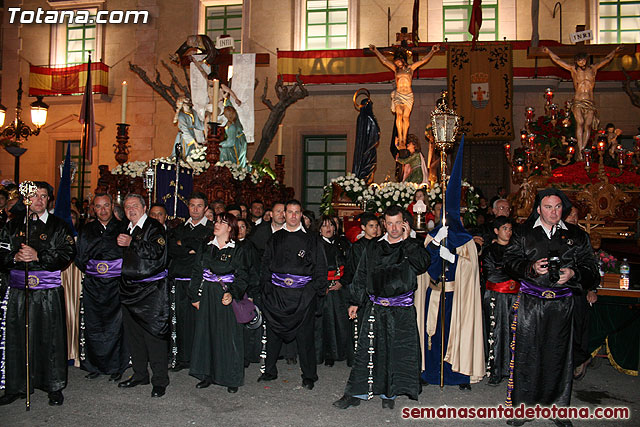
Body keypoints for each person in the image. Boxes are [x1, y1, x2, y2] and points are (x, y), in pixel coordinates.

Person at [503, 188, 599, 427]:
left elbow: (591, 269)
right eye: (548, 207)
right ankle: (522, 409)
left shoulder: (576, 235)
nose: (554, 212)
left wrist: (574, 273)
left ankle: (558, 409)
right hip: (531, 303)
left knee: (559, 356)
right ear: (538, 209)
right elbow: (509, 262)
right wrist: (531, 268)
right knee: (527, 355)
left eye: (558, 207)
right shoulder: (524, 233)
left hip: (562, 304)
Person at [333, 205, 430, 410]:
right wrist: (355, 302)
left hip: (401, 310)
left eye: (398, 223)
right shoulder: (374, 247)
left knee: (397, 352)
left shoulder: (413, 246)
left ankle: (390, 392)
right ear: (384, 224)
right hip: (375, 307)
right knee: (367, 352)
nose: (394, 228)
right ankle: (356, 392)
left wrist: (407, 241)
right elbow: (361, 275)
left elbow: (422, 264)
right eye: (390, 223)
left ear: (404, 224)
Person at [0, 181, 76, 406]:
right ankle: (17, 385)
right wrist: (14, 258)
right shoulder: (13, 226)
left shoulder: (58, 225)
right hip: (19, 292)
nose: (39, 200)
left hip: (47, 293)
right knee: (18, 338)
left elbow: (67, 253)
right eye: (35, 196)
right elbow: (1, 251)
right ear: (27, 199)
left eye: (44, 196)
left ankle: (53, 386)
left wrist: (38, 257)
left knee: (50, 338)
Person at [258, 200, 327, 389]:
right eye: (290, 212)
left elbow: (320, 267)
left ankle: (309, 375)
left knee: (305, 337)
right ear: (284, 215)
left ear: (302, 215)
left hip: (303, 296)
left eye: (297, 212)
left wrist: (315, 291)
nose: (293, 216)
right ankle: (269, 370)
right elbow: (265, 265)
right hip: (277, 295)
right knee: (273, 334)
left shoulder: (313, 239)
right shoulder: (275, 238)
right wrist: (266, 290)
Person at [189, 212, 250, 393]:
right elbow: (196, 271)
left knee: (228, 337)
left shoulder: (238, 249)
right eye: (216, 221)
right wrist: (195, 296)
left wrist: (232, 293)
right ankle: (207, 374)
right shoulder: (206, 247)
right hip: (207, 294)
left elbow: (243, 276)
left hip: (226, 295)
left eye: (221, 222)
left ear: (230, 228)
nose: (216, 225)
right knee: (207, 334)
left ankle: (231, 377)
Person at [117, 194, 170, 398]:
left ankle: (159, 380)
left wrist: (133, 242)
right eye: (127, 207)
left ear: (144, 207)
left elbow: (157, 251)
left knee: (154, 335)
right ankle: (140, 374)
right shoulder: (126, 227)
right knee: (134, 335)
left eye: (135, 206)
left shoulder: (154, 227)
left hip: (151, 291)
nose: (131, 210)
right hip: (129, 289)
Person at [75, 193, 129, 381]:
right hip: (93, 285)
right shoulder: (87, 230)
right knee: (94, 324)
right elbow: (80, 258)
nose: (103, 210)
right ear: (93, 209)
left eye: (106, 205)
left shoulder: (123, 227)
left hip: (116, 285)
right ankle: (95, 365)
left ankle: (117, 367)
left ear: (112, 206)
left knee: (116, 325)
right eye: (98, 207)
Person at [542, 46, 622, 157]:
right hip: (578, 100)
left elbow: (607, 59)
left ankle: (583, 149)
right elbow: (558, 60)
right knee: (580, 123)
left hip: (590, 101)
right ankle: (579, 149)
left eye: (583, 60)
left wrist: (614, 51)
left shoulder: (593, 68)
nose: (581, 62)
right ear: (576, 62)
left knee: (588, 125)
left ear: (586, 59)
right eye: (579, 61)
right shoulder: (573, 69)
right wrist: (549, 52)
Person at [167, 192, 214, 371]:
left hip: (199, 282)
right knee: (179, 321)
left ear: (206, 208)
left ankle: (199, 360)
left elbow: (203, 251)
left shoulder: (211, 229)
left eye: (199, 206)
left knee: (198, 322)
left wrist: (184, 246)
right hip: (179, 281)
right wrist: (189, 249)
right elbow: (171, 249)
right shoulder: (179, 227)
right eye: (192, 205)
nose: (195, 209)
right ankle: (181, 358)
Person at [369, 44, 440, 149]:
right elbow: (384, 61)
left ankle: (404, 137)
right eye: (395, 63)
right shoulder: (395, 70)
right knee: (399, 115)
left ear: (402, 60)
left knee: (406, 117)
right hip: (398, 94)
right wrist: (376, 51)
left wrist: (432, 52)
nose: (397, 64)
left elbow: (422, 61)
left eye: (398, 62)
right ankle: (400, 138)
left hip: (408, 96)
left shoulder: (410, 69)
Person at [481, 216, 517, 386]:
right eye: (504, 229)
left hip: (514, 296)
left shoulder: (516, 249)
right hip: (495, 295)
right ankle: (495, 370)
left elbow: (521, 270)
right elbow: (490, 274)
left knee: (513, 331)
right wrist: (509, 274)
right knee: (494, 332)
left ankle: (512, 369)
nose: (508, 232)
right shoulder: (489, 250)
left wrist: (504, 269)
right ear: (496, 231)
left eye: (510, 229)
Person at [564, 206, 598, 381]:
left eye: (576, 215)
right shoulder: (556, 233)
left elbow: (590, 265)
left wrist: (592, 288)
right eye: (570, 214)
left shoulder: (582, 237)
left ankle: (580, 360)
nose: (573, 218)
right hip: (559, 289)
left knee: (578, 328)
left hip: (578, 288)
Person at [315, 216, 352, 367]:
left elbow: (351, 266)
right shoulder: (315, 246)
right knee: (324, 323)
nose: (328, 228)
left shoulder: (343, 244)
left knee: (341, 322)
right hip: (324, 290)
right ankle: (326, 354)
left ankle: (341, 352)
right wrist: (322, 285)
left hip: (340, 289)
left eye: (331, 225)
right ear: (319, 229)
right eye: (324, 226)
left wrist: (342, 283)